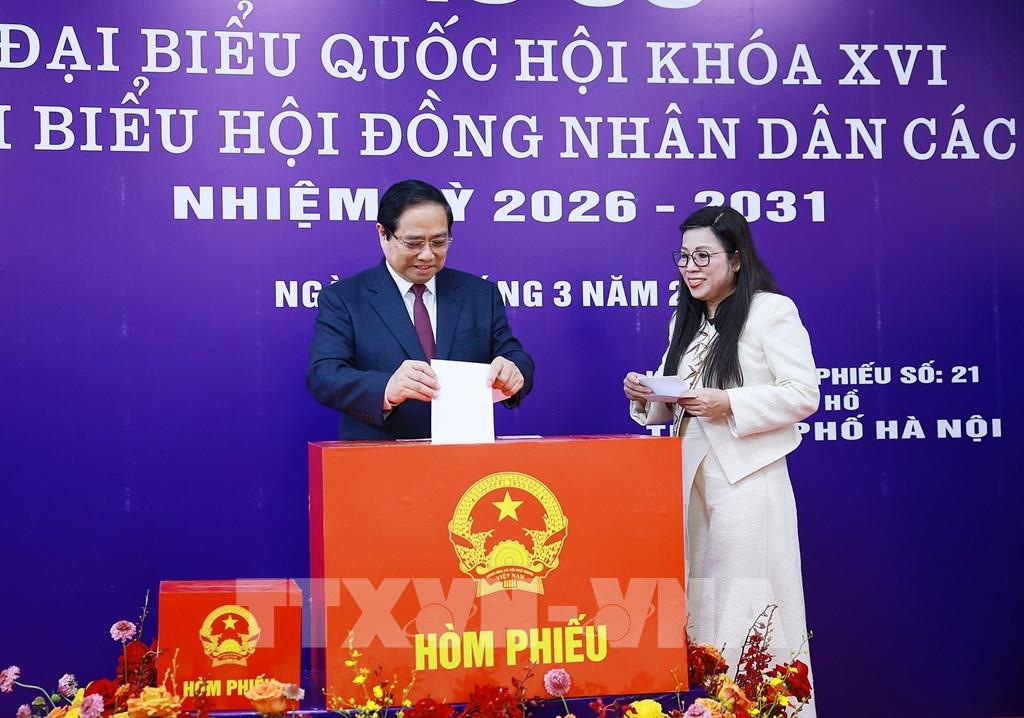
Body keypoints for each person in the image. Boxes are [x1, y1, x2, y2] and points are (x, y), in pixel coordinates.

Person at [624, 206, 819, 712]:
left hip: (749, 481)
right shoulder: (684, 319)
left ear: (735, 258)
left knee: (752, 607)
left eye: (703, 256)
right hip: (694, 484)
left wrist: (729, 402)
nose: (690, 268)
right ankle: (717, 705)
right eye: (683, 256)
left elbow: (803, 393)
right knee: (709, 610)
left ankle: (767, 706)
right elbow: (673, 399)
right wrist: (645, 394)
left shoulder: (770, 311)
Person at [307, 179, 534, 440]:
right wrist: (387, 388)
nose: (427, 254)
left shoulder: (480, 295)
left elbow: (515, 357)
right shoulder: (345, 299)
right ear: (383, 234)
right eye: (413, 243)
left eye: (439, 242)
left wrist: (514, 371)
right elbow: (324, 374)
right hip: (378, 454)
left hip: (464, 453)